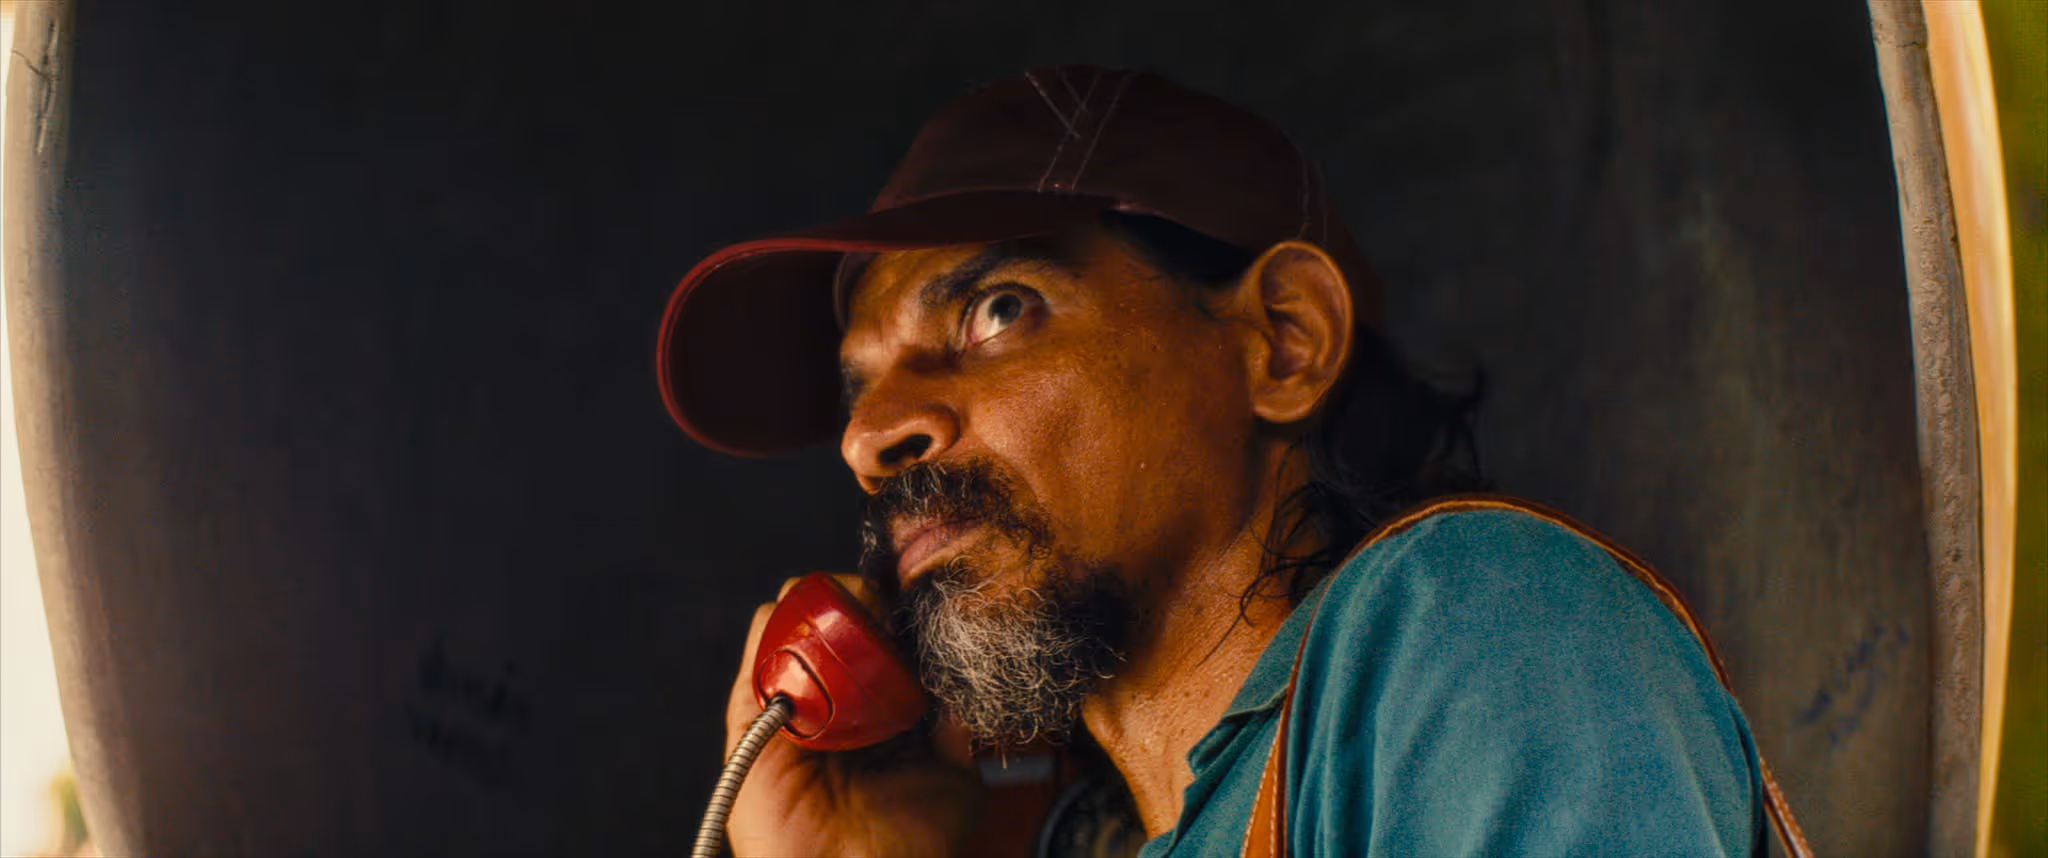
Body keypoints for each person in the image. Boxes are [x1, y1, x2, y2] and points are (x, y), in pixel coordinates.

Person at [656, 65, 1802, 857]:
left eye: (997, 310)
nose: (871, 438)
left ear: (1281, 340)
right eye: (857, 390)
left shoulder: (1475, 627)